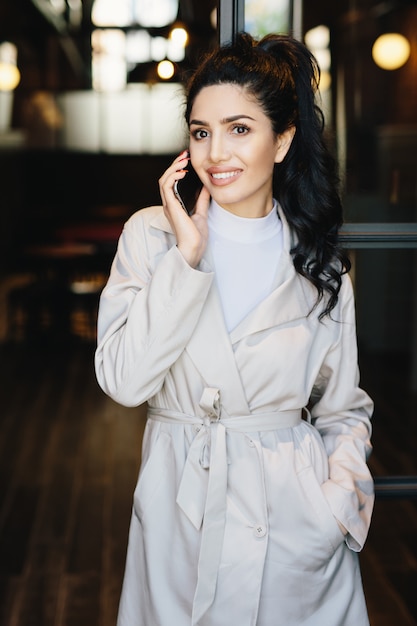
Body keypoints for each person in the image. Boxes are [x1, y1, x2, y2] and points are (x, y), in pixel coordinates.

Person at [95, 32, 374, 626]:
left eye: (240, 129)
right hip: (181, 516)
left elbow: (344, 412)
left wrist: (336, 511)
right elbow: (123, 380)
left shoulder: (320, 263)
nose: (215, 152)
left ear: (284, 140)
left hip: (295, 528)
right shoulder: (153, 237)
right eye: (201, 131)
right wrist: (187, 259)